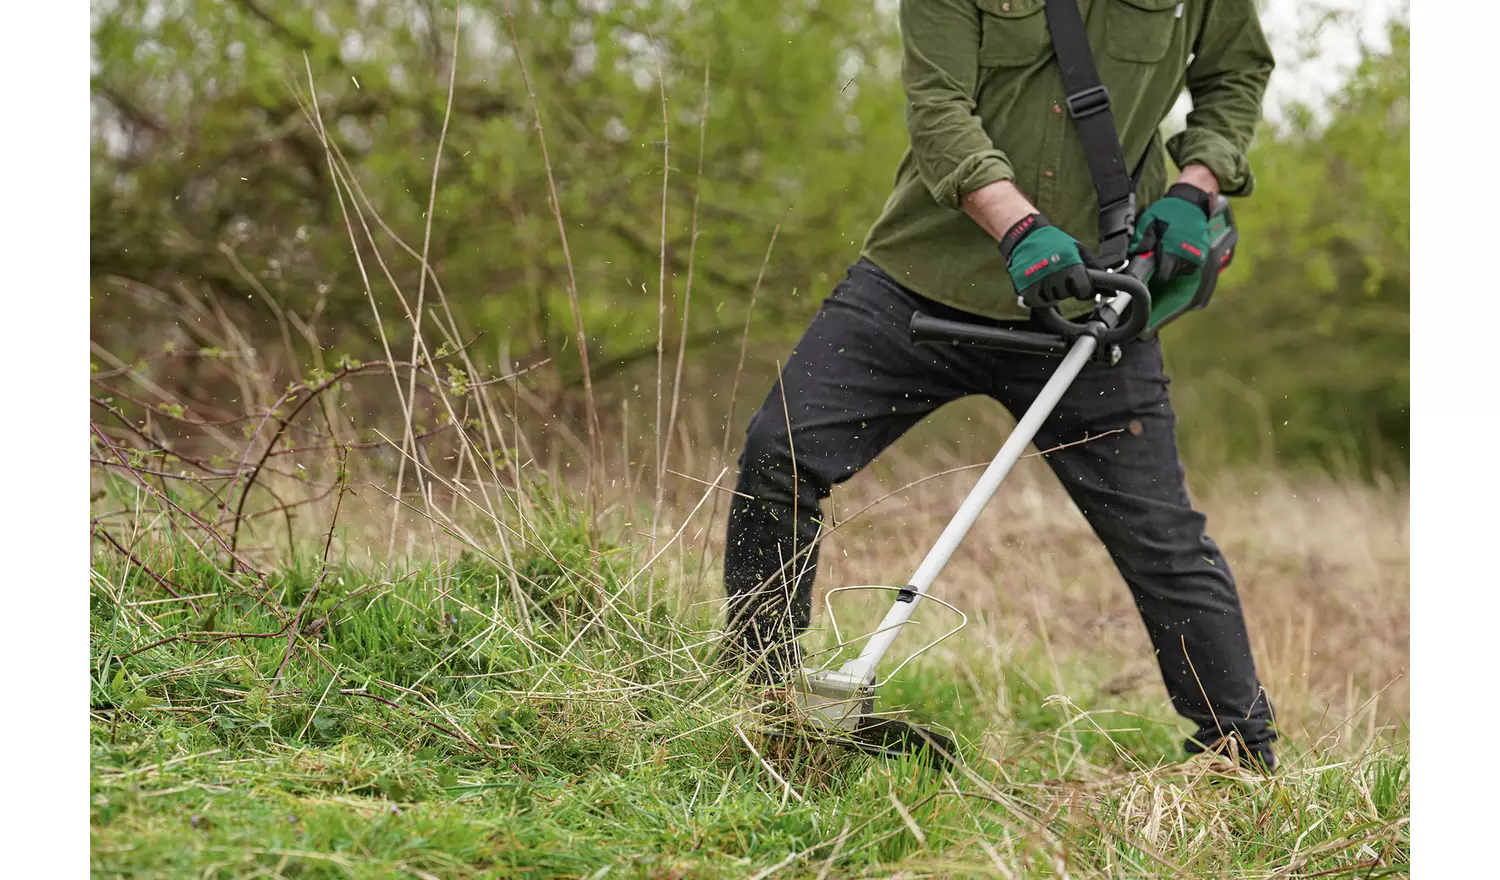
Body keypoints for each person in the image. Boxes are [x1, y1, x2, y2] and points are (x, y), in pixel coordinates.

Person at [720, 0, 1280, 771]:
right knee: (779, 453)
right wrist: (1019, 227)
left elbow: (1236, 71)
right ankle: (761, 696)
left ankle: (1238, 758)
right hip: (925, 280)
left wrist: (1195, 185)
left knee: (1165, 545)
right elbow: (939, 109)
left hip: (1095, 302)